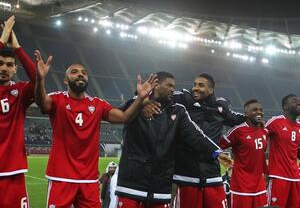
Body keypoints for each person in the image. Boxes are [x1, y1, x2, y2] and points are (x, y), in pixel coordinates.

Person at [34, 53, 157, 208]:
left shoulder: (98, 104)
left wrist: (140, 99)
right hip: (61, 177)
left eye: (84, 73)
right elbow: (41, 103)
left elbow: (123, 117)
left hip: (89, 179)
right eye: (74, 72)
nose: (80, 74)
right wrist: (40, 79)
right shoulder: (57, 99)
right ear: (65, 80)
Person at [115, 71, 231, 208]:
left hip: (160, 186)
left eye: (174, 86)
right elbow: (119, 117)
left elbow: (195, 136)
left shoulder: (178, 111)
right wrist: (141, 102)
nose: (173, 89)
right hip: (132, 183)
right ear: (156, 86)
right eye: (169, 85)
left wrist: (216, 152)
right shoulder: (136, 105)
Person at [144, 73, 244, 208]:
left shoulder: (220, 108)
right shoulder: (182, 100)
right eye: (194, 84)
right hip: (185, 176)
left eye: (201, 85)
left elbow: (238, 119)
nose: (195, 88)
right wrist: (145, 101)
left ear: (211, 90)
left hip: (212, 175)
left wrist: (256, 120)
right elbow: (159, 93)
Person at [0, 16, 36, 208]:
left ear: (15, 69)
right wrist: (2, 37)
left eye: (9, 64)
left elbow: (38, 79)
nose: (4, 68)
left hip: (14, 172)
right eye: (0, 63)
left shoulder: (20, 92)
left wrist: (17, 48)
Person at [219, 99, 268, 208]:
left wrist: (266, 173)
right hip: (241, 186)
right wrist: (224, 160)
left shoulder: (264, 131)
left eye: (260, 110)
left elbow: (262, 156)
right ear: (246, 114)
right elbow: (217, 146)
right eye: (254, 110)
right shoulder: (238, 131)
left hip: (260, 186)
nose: (259, 112)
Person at [266, 94, 300, 208]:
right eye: (295, 101)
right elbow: (259, 136)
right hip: (278, 177)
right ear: (285, 106)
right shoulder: (275, 122)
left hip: (295, 178)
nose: (298, 103)